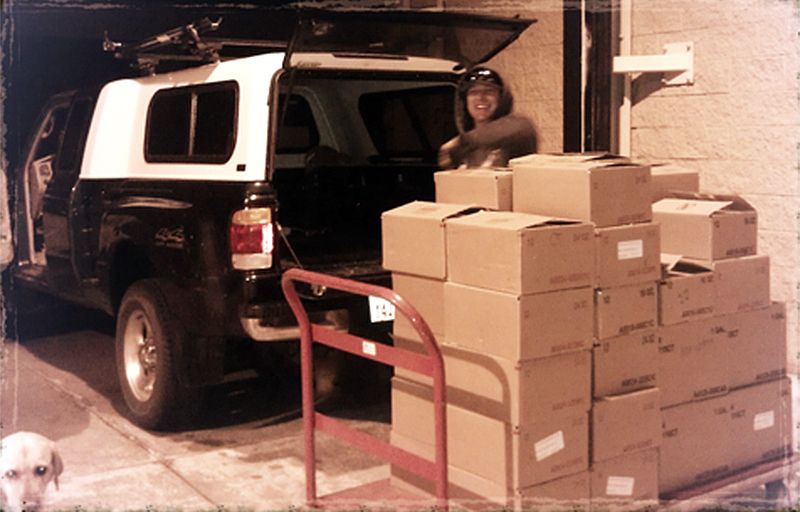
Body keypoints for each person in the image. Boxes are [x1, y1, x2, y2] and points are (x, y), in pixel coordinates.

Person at [438, 66, 537, 169]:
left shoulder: (516, 135)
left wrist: (462, 141)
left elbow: (524, 127)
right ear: (464, 101)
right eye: (474, 92)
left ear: (502, 98)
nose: (481, 97)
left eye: (489, 92)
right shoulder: (459, 152)